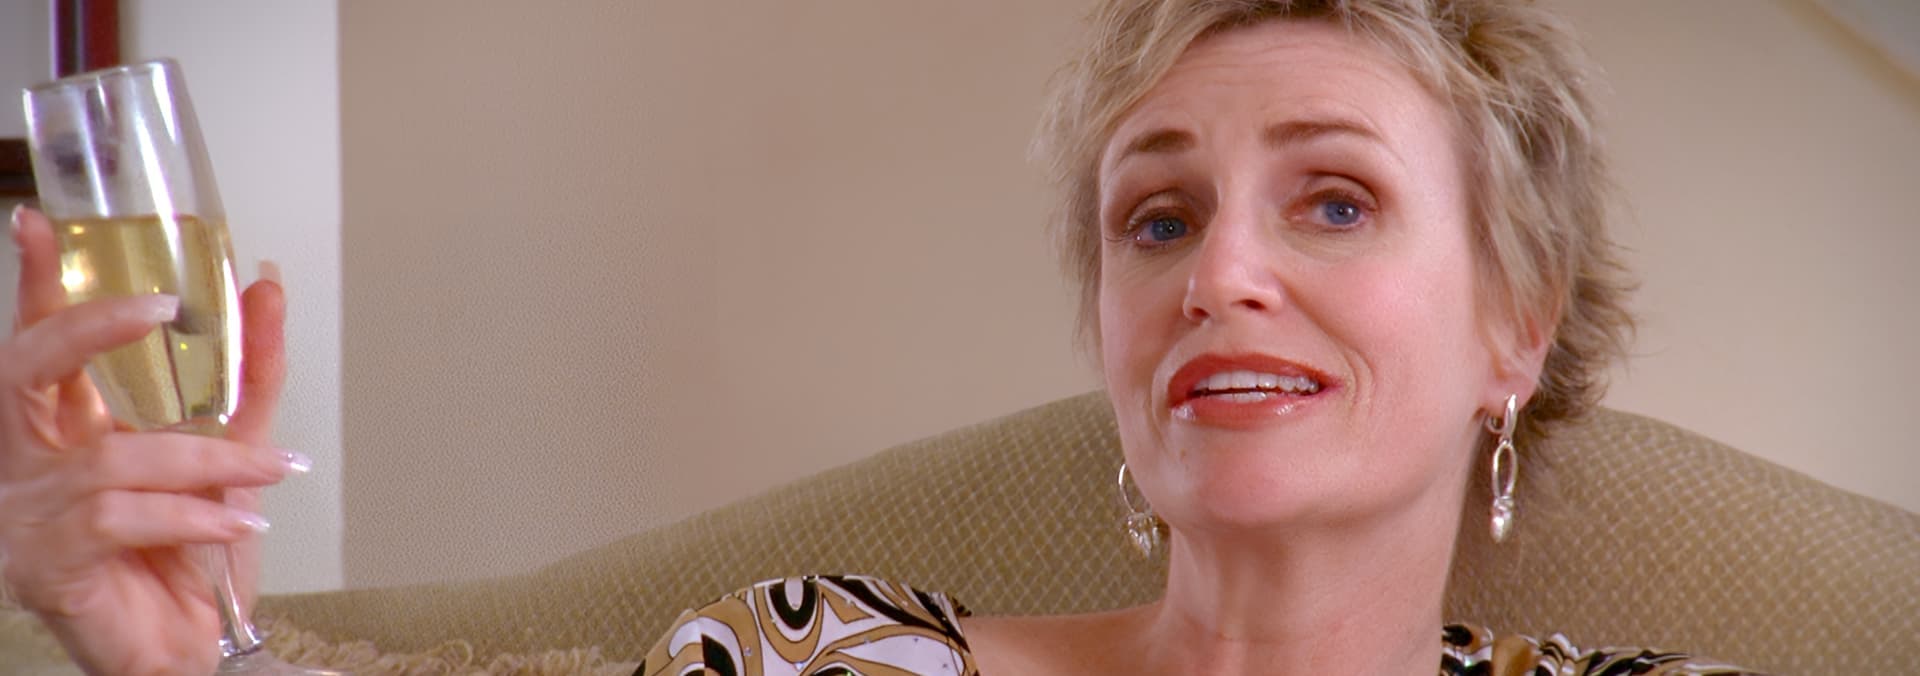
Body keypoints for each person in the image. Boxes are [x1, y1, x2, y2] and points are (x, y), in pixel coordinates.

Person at [0, 1, 1762, 674]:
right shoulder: (814, 661)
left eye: (1337, 202)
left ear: (1515, 326)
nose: (1221, 272)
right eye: (1158, 219)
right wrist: (183, 661)